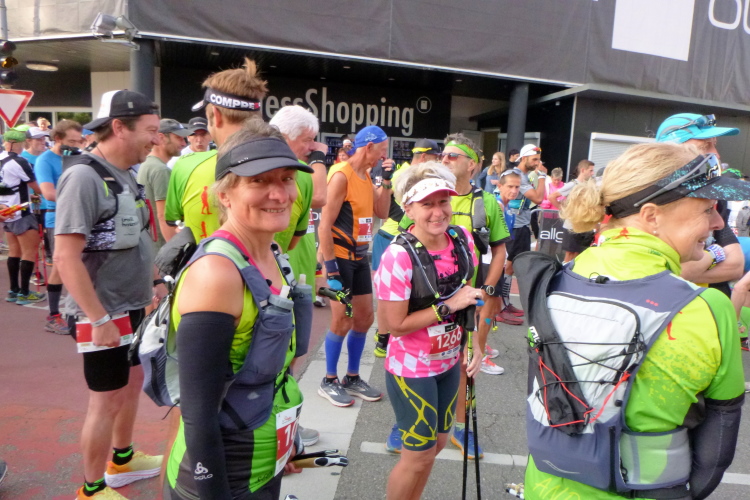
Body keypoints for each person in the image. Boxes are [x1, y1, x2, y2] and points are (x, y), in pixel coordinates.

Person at [524, 142, 745, 500]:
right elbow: (716, 446)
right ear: (651, 216)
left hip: (544, 484)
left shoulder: (555, 278)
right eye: (707, 209)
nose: (718, 222)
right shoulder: (708, 307)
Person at [164, 119, 312, 500]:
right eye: (259, 181)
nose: (279, 194)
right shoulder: (216, 274)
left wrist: (285, 439)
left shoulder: (272, 254)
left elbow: (274, 373)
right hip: (221, 479)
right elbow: (198, 414)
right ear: (225, 194)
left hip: (264, 461)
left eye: (286, 179)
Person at [55, 89, 165, 499]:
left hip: (131, 305)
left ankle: (122, 459)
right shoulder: (84, 177)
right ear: (119, 127)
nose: (156, 139)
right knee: (105, 400)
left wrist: (154, 281)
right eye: (150, 130)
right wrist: (98, 319)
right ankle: (91, 488)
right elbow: (65, 257)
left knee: (131, 384)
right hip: (101, 312)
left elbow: (137, 238)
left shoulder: (127, 174)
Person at [375, 161, 480, 500]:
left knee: (437, 445)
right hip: (412, 368)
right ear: (408, 209)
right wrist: (447, 306)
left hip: (448, 362)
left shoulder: (461, 239)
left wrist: (475, 346)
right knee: (417, 456)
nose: (438, 212)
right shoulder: (398, 256)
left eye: (443, 202)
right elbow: (395, 325)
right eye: (427, 204)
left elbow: (469, 298)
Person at [317, 125, 392, 407]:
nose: (384, 156)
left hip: (360, 256)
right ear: (368, 147)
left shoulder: (366, 175)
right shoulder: (341, 175)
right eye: (382, 150)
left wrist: (386, 182)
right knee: (342, 319)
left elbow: (382, 212)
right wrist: (331, 268)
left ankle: (352, 377)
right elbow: (324, 225)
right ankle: (329, 380)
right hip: (340, 258)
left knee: (364, 319)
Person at [269, 104, 329, 448]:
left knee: (291, 353)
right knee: (278, 357)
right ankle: (280, 429)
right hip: (273, 280)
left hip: (291, 276)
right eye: (308, 140)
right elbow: (320, 199)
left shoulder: (299, 173)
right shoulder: (299, 173)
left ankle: (286, 426)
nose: (313, 146)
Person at [165, 57, 268, 242]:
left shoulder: (185, 166)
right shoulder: (295, 171)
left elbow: (173, 224)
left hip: (204, 259)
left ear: (216, 116)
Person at [655, 113, 744, 296]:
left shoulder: (714, 196)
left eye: (715, 145)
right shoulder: (647, 199)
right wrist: (715, 254)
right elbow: (665, 272)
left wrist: (687, 271)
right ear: (670, 151)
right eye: (705, 146)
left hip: (709, 300)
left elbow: (736, 265)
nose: (716, 154)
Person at [371, 138, 441, 357]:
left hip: (410, 239)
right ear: (424, 156)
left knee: (407, 293)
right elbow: (381, 203)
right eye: (436, 157)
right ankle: (383, 339)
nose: (439, 161)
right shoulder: (402, 174)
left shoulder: (423, 175)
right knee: (388, 295)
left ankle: (393, 334)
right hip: (391, 237)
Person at [35, 119, 84, 333]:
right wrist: (80, 199)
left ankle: (73, 311)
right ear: (57, 139)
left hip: (80, 217)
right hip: (58, 218)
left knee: (76, 264)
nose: (76, 145)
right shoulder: (45, 160)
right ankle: (54, 315)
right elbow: (48, 193)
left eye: (78, 141)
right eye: (71, 141)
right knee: (62, 266)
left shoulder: (78, 157)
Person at [498, 144, 547, 324]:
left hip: (521, 225)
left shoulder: (523, 176)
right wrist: (542, 176)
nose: (537, 163)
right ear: (524, 158)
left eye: (538, 160)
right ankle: (500, 307)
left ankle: (505, 303)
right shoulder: (517, 175)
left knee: (512, 267)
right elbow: (539, 198)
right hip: (515, 226)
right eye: (534, 159)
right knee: (507, 266)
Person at [1, 127, 46, 305]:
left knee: (14, 251)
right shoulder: (19, 161)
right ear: (16, 143)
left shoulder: (1, 158)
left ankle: (13, 290)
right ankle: (25, 292)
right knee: (30, 251)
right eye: (21, 143)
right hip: (21, 211)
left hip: (6, 211)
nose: (22, 146)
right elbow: (36, 186)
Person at [137, 118, 190, 251]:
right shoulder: (160, 170)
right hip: (161, 248)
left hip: (149, 246)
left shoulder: (146, 164)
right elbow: (164, 217)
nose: (184, 143)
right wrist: (175, 251)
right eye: (178, 138)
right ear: (161, 137)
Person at [549, 159, 596, 263]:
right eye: (590, 170)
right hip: (572, 225)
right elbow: (552, 197)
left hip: (584, 224)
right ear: (583, 170)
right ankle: (565, 272)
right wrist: (564, 210)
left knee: (580, 255)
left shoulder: (590, 185)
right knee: (570, 254)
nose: (592, 173)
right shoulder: (572, 184)